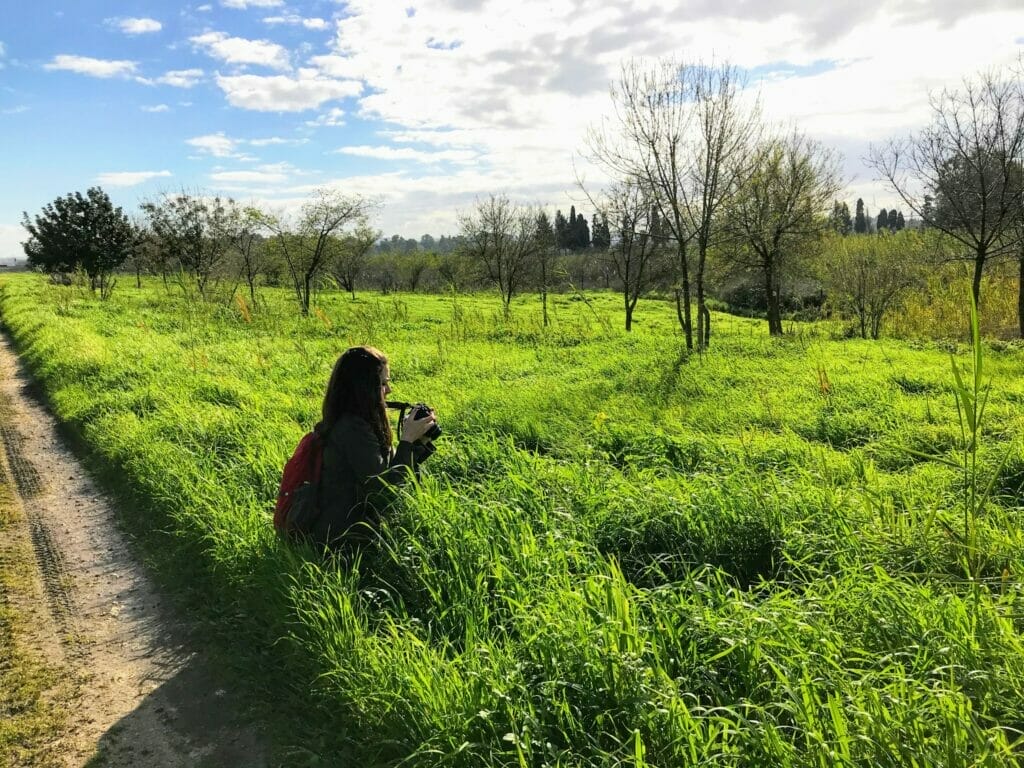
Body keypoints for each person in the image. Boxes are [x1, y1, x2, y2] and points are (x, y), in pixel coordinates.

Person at [308, 345, 437, 547]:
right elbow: (384, 494)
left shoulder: (362, 422)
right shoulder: (351, 429)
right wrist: (407, 441)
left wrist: (418, 443)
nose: (389, 390)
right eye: (382, 383)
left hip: (357, 529)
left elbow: (391, 474)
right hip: (341, 542)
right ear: (363, 387)